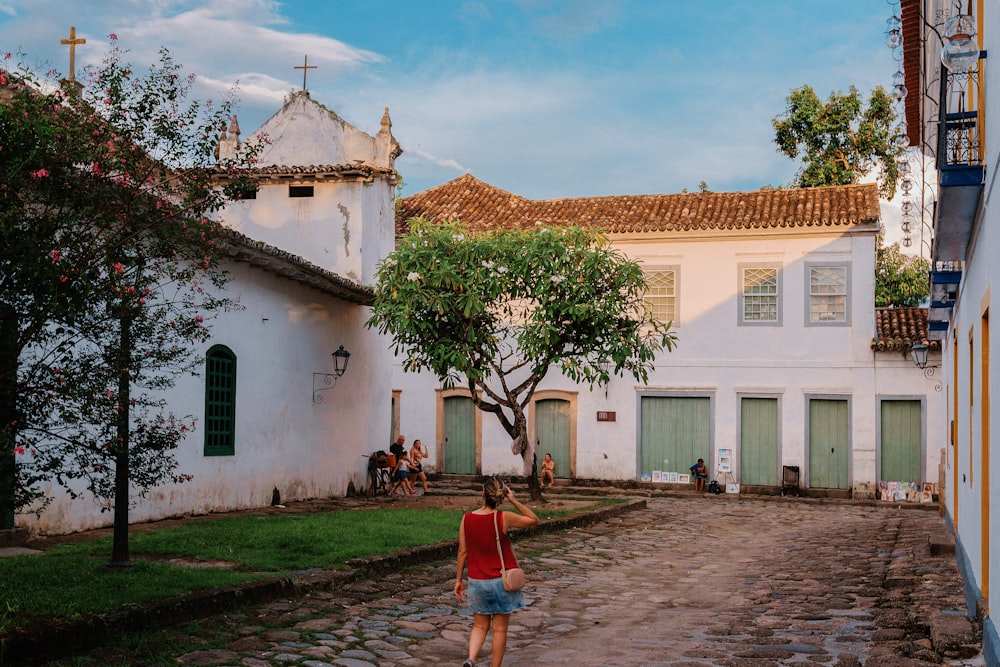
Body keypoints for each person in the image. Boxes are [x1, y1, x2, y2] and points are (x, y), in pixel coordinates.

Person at [454, 477, 539, 667]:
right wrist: (514, 500)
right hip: (501, 581)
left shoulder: (467, 518)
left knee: (479, 625)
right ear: (501, 496)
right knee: (499, 630)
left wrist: (459, 579)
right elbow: (534, 519)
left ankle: (471, 658)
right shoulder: (503, 517)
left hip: (477, 581)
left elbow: (462, 552)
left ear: (483, 495)